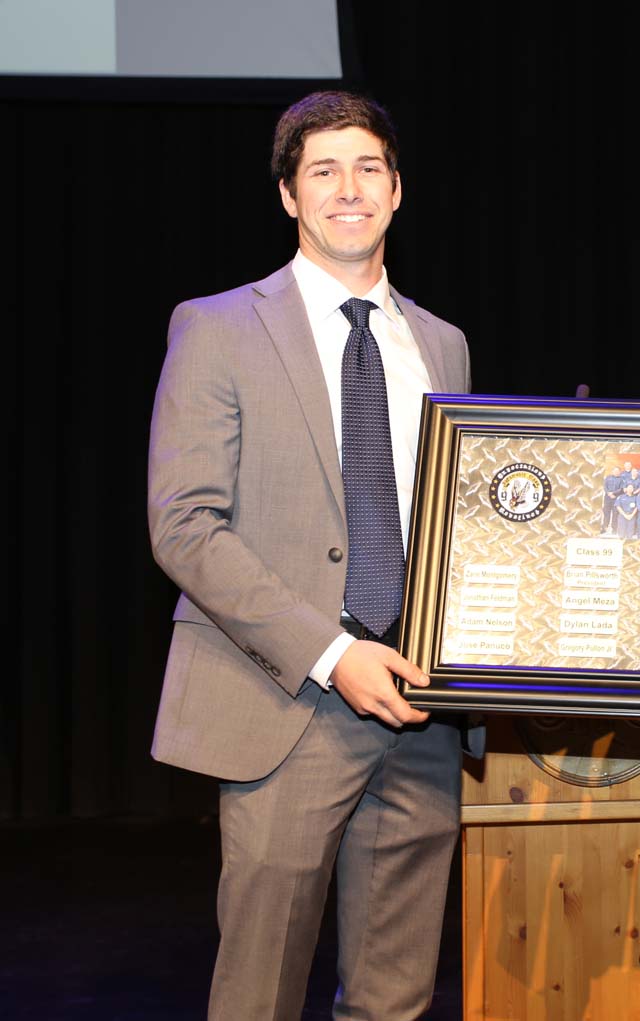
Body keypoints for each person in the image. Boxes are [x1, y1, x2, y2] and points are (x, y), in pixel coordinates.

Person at [147, 91, 473, 1021]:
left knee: (396, 999)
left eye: (368, 168)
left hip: (422, 708)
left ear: (398, 190)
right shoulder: (217, 327)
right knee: (258, 997)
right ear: (290, 196)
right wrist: (333, 652)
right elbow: (184, 523)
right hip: (286, 700)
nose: (348, 188)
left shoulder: (442, 344)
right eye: (322, 170)